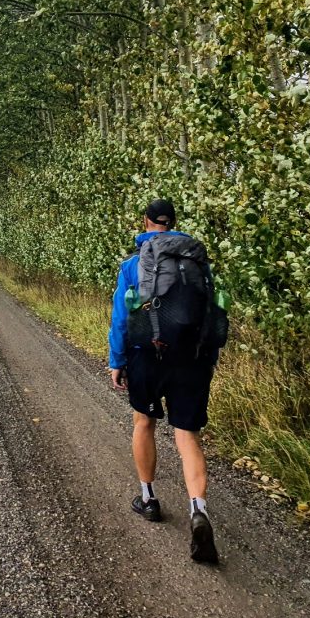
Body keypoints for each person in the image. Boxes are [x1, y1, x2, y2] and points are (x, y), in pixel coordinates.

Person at [108, 198, 219, 563]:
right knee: (187, 436)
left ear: (146, 222)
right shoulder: (198, 263)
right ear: (174, 223)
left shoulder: (133, 264)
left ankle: (149, 498)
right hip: (192, 359)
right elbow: (211, 314)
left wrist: (117, 361)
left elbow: (122, 319)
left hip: (147, 355)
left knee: (144, 423)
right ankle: (197, 510)